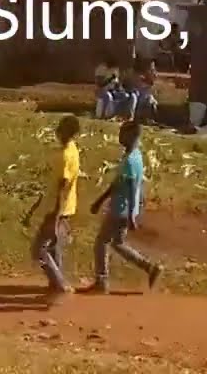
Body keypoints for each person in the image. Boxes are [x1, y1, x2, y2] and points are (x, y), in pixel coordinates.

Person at [82, 120, 163, 294]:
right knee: (118, 243)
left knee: (101, 242)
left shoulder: (130, 161)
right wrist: (100, 200)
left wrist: (132, 214)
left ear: (131, 136)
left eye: (122, 133)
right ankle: (150, 268)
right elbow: (120, 183)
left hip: (121, 209)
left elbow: (134, 187)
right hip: (124, 207)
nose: (119, 136)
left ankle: (101, 281)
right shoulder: (134, 155)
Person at [22, 115, 82, 305]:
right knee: (54, 248)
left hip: (58, 209)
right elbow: (53, 185)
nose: (57, 132)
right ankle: (56, 283)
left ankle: (61, 285)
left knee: (39, 250)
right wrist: (35, 208)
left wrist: (55, 216)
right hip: (62, 208)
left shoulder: (66, 155)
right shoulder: (71, 150)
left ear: (66, 132)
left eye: (60, 129)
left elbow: (62, 187)